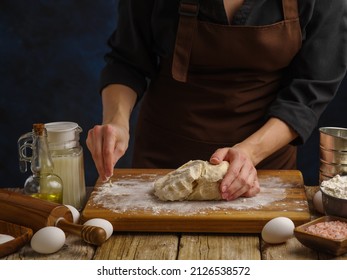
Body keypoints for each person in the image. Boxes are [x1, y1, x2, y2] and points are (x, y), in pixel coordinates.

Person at [87, 0, 347, 200]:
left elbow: (310, 88)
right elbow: (127, 60)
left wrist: (249, 153)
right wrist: (116, 122)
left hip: (264, 168)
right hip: (163, 160)